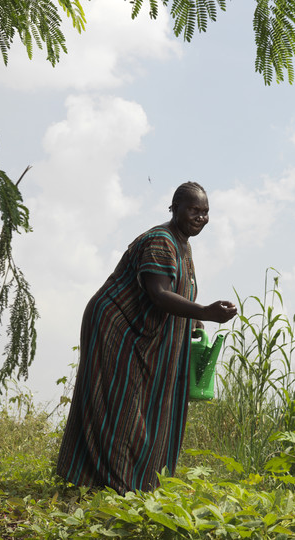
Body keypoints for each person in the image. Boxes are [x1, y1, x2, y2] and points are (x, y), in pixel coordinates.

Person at [56, 181, 237, 494]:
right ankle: (111, 485)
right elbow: (158, 293)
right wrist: (204, 311)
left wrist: (194, 320)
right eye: (194, 210)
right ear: (174, 208)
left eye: (205, 212)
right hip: (117, 328)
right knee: (118, 404)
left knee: (151, 407)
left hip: (147, 337)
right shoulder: (160, 241)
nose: (200, 217)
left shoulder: (184, 246)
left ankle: (138, 485)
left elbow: (180, 291)